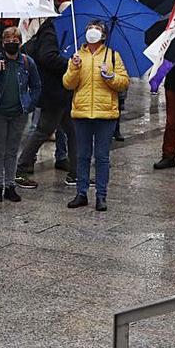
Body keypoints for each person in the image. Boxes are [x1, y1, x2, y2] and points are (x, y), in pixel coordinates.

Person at [63, 20, 129, 211]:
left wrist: (111, 77)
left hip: (105, 114)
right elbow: (68, 83)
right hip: (82, 113)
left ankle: (101, 195)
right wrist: (74, 68)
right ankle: (81, 193)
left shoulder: (113, 56)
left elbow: (123, 83)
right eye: (90, 28)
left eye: (97, 29)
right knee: (82, 155)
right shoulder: (77, 56)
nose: (93, 31)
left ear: (104, 35)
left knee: (102, 157)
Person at [17, 0, 77, 189]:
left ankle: (76, 171)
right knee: (44, 129)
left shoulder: (65, 29)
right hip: (54, 91)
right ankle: (21, 167)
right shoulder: (52, 29)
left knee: (73, 130)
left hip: (63, 90)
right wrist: (71, 63)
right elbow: (47, 56)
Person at [0, 26, 41, 203]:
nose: (11, 44)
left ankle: (10, 186)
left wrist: (30, 105)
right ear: (2, 43)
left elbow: (37, 85)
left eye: (14, 41)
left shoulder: (26, 62)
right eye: (8, 41)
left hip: (18, 113)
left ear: (20, 43)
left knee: (12, 151)